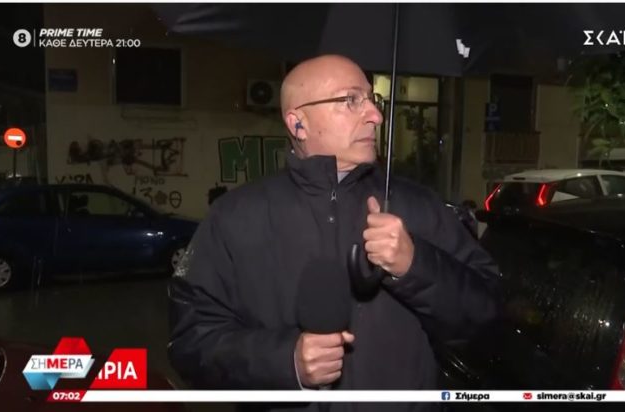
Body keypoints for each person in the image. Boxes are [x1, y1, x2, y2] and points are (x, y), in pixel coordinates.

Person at [168, 55, 500, 411]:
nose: (375, 115)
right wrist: (286, 362)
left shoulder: (420, 206)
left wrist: (416, 265)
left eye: (372, 99)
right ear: (298, 123)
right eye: (350, 100)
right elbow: (191, 344)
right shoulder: (234, 217)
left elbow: (488, 317)